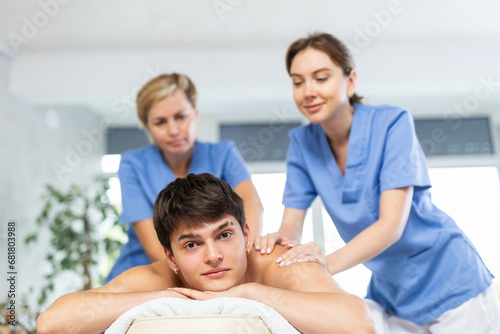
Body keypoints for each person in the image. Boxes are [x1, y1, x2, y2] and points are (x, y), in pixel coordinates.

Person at [253, 33, 500, 333]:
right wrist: (280, 245)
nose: (308, 92)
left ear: (351, 80)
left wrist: (320, 266)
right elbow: (291, 225)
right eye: (297, 82)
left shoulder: (392, 123)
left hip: (450, 281)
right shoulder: (303, 144)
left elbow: (391, 226)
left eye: (321, 78)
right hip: (391, 293)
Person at [36, 173, 375, 334]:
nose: (213, 255)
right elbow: (52, 323)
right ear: (170, 257)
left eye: (224, 235)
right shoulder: (158, 279)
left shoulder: (279, 263)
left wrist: (252, 292)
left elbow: (358, 325)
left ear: (245, 233)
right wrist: (171, 297)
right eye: (192, 244)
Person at [106, 73, 263, 282]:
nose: (174, 130)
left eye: (181, 117)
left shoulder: (223, 154)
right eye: (160, 122)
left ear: (195, 113)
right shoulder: (132, 164)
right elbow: (155, 247)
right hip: (149, 272)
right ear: (147, 126)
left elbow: (252, 205)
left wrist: (239, 258)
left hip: (212, 269)